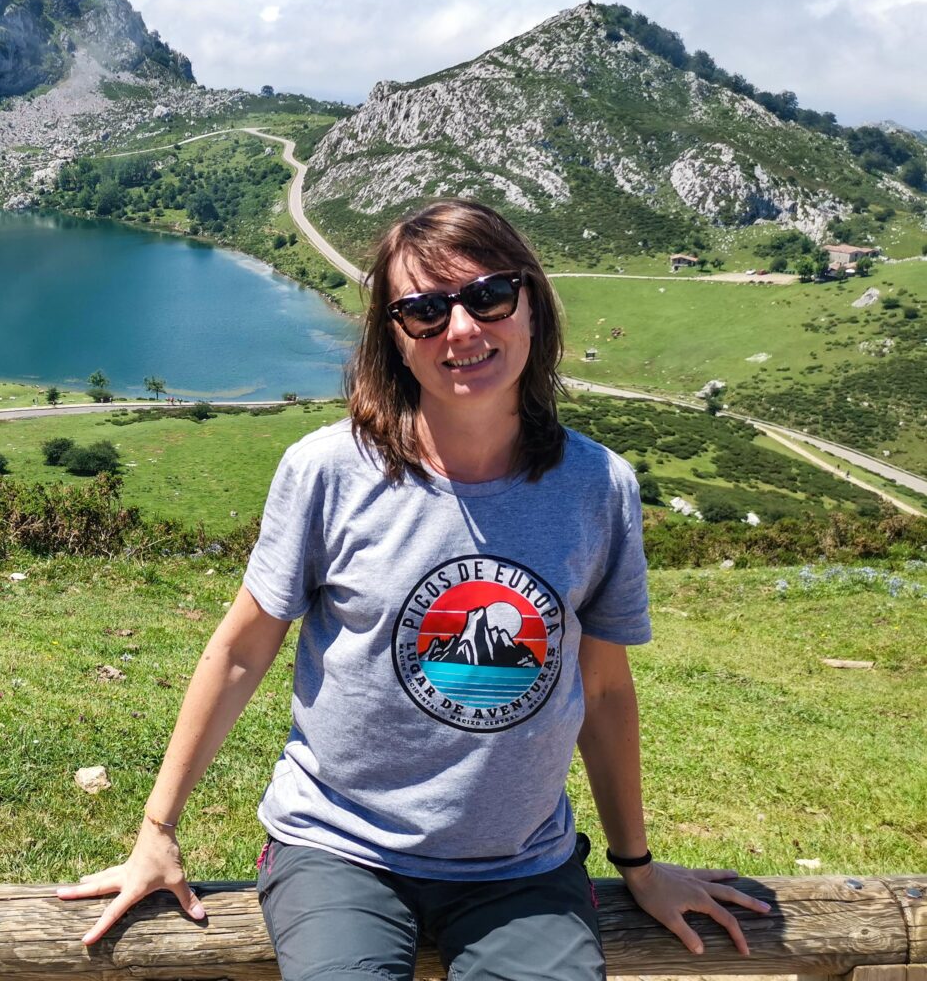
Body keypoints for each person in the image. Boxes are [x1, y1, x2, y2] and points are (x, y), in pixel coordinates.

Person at [58, 198, 769, 979]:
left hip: (522, 867)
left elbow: (602, 693)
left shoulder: (598, 486)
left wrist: (638, 862)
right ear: (393, 339)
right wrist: (157, 830)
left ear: (532, 303)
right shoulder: (328, 470)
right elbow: (241, 650)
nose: (461, 330)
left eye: (489, 296)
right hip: (339, 850)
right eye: (425, 311)